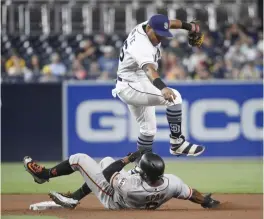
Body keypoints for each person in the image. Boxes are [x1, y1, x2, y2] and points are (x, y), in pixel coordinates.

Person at [112, 14, 205, 158]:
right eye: (158, 34)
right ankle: (177, 143)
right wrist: (163, 88)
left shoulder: (149, 25)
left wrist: (191, 27)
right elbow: (149, 70)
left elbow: (170, 23)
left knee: (148, 131)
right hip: (132, 84)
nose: (160, 38)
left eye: (163, 34)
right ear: (149, 28)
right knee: (175, 98)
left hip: (133, 80)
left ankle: (142, 167)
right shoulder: (141, 45)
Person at [23, 152, 220, 210]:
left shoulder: (131, 186)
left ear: (143, 173)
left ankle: (44, 176)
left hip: (116, 199)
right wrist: (206, 201)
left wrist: (127, 159)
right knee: (106, 160)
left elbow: (109, 173)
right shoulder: (172, 182)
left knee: (80, 160)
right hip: (141, 201)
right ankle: (74, 197)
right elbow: (191, 194)